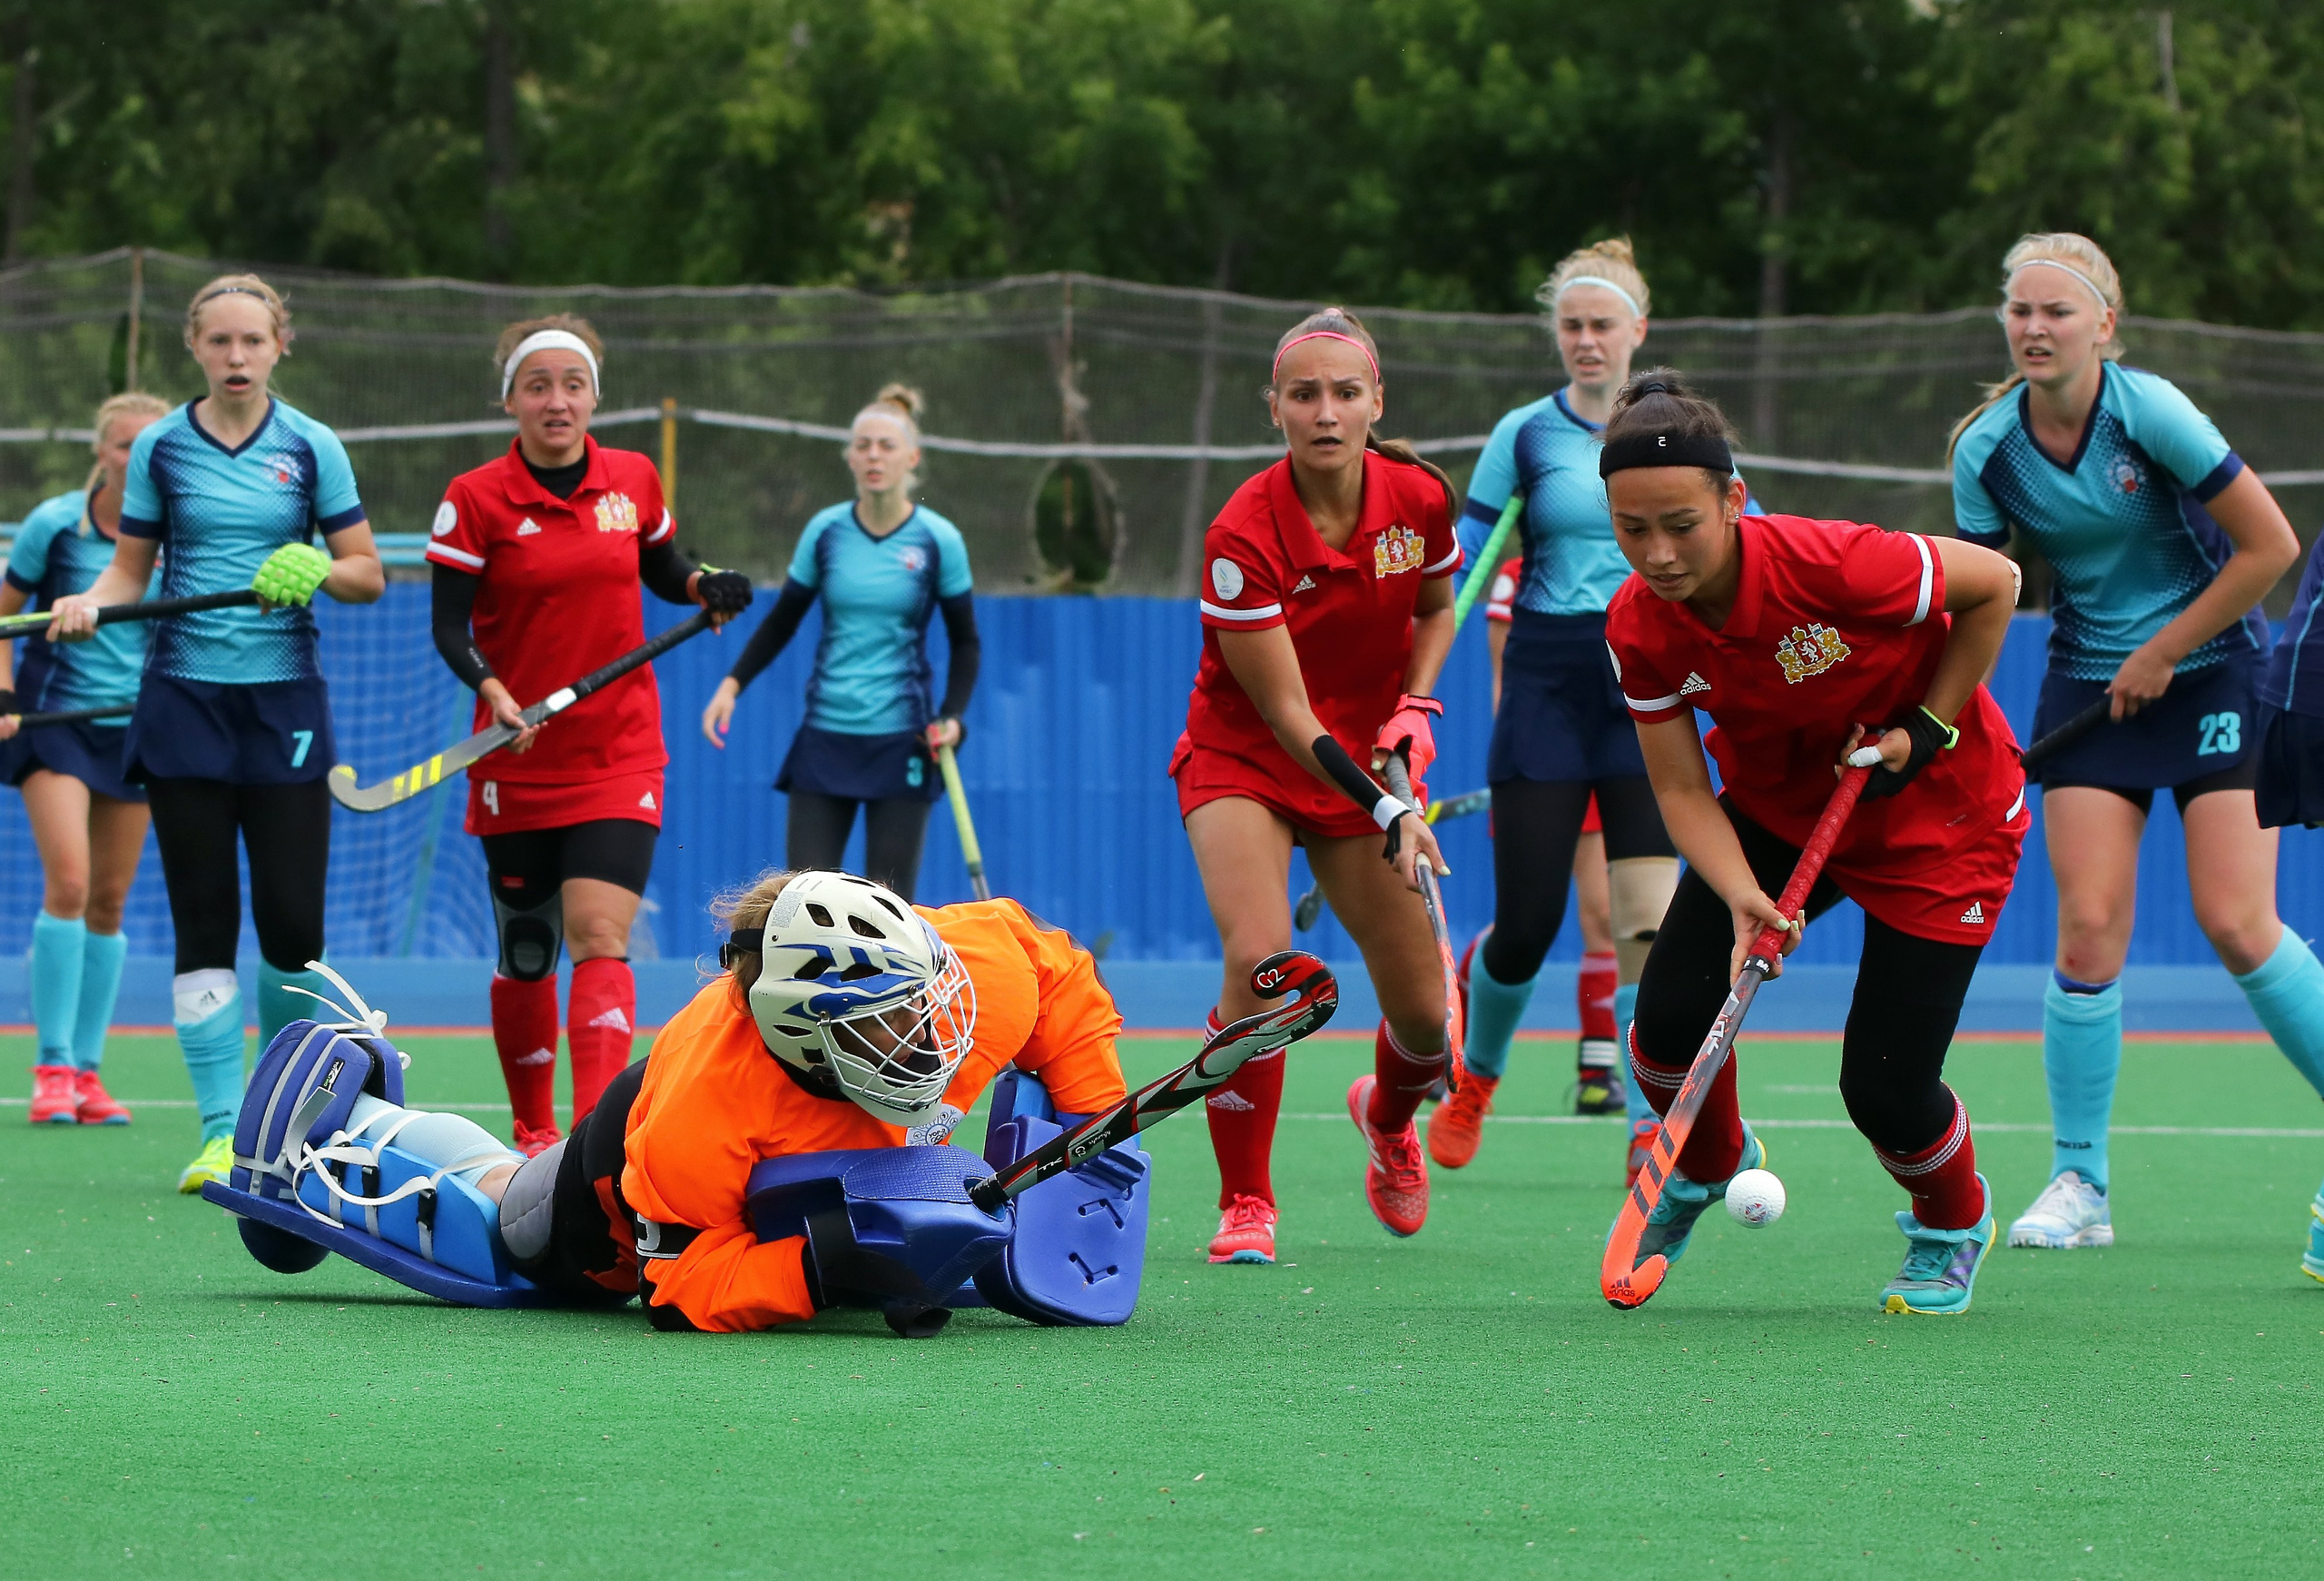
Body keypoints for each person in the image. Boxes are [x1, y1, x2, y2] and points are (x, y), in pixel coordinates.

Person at [242, 869, 1130, 1334]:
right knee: (502, 1225)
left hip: (802, 1183)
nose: (936, 1036)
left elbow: (1057, 975)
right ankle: (341, 1139)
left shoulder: (968, 975)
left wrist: (1092, 1125)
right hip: (610, 1210)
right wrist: (830, 1260)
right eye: (891, 1022)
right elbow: (675, 1291)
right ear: (804, 1031)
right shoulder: (705, 1115)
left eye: (928, 999)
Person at [1604, 368, 2028, 1314]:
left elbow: (1995, 583)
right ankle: (1709, 1160)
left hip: (1942, 821)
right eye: (1632, 529)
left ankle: (1952, 1217)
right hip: (1783, 812)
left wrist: (1924, 728)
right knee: (1668, 1023)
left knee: (1883, 1088)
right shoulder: (1639, 625)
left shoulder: (1833, 564)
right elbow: (1679, 784)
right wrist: (1740, 897)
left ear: (1733, 502)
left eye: (1681, 524)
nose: (1659, 553)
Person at [1949, 232, 2324, 1259]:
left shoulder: (2147, 410)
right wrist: (1936, 717)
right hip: (2089, 686)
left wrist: (2164, 648)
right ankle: (2081, 1180)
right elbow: (1980, 599)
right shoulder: (1988, 452)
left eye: (2056, 311)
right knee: (2085, 932)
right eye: (2019, 311)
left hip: (2216, 671)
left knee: (2238, 923)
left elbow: (2271, 547)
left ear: (2103, 324)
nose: (2034, 327)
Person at [45, 273, 385, 1193]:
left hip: (285, 710)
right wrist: (86, 604)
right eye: (220, 342)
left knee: (291, 929)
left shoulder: (313, 448)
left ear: (282, 344)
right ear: (193, 347)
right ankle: (220, 1132)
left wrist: (318, 560)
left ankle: (280, 1121)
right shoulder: (160, 447)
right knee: (204, 919)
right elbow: (128, 575)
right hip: (183, 703)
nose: (237, 357)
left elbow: (367, 573)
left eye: (253, 341)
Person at [1171, 306, 1460, 1265]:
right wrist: (1392, 805)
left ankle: (1384, 1118)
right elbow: (1289, 714)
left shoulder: (1417, 498)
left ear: (1376, 401)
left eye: (1345, 392)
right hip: (1248, 758)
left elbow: (1437, 603)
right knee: (1263, 962)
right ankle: (1246, 1199)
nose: (1325, 411)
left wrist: (1417, 703)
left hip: (1362, 766)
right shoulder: (1239, 534)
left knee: (1425, 1024)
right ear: (1275, 410)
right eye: (1304, 394)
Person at [428, 313, 753, 1157]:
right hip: (517, 753)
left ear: (593, 397)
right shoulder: (474, 498)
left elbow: (662, 562)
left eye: (572, 385)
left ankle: (589, 1140)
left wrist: (702, 584)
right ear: (512, 401)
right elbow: (448, 627)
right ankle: (532, 1129)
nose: (557, 401)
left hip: (619, 749)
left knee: (600, 935)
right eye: (538, 386)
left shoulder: (632, 479)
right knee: (529, 949)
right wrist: (493, 691)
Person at [1431, 239, 1681, 1181]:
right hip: (1544, 680)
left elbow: (1745, 546)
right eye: (1571, 325)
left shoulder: (1671, 433)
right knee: (1528, 926)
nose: (1585, 340)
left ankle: (1646, 1123)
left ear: (1636, 332)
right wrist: (1407, 670)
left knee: (1645, 926)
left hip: (1644, 681)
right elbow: (1455, 564)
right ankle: (1476, 1080)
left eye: (1602, 325)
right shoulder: (1524, 435)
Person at [702, 385, 980, 901]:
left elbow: (966, 644)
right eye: (863, 445)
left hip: (905, 744)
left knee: (891, 916)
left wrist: (954, 716)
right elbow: (782, 621)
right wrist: (731, 684)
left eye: (887, 445)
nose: (874, 455)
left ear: (912, 458)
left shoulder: (939, 540)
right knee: (804, 906)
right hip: (824, 741)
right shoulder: (825, 532)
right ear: (850, 457)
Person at [2, 392, 169, 1124]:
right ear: (101, 452)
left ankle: (90, 1074)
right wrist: (3, 692)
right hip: (55, 724)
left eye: (150, 447)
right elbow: (5, 615)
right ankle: (52, 1067)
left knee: (109, 898)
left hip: (132, 730)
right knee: (68, 880)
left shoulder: (174, 535)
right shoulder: (55, 524)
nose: (136, 459)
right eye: (124, 445)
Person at [1481, 554, 1625, 1127]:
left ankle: (1598, 1073)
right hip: (1541, 754)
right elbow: (1503, 680)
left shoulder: (1631, 564)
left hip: (1611, 749)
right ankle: (1465, 1044)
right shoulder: (1517, 575)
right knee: (1523, 924)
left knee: (1604, 914)